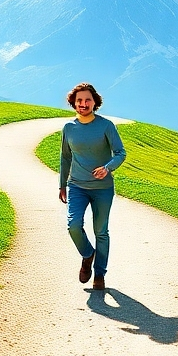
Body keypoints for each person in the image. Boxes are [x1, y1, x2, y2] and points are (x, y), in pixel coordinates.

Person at [58, 82, 127, 290]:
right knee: (73, 226)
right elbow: (65, 157)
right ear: (73, 103)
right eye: (79, 100)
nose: (83, 103)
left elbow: (120, 153)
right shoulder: (69, 128)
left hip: (102, 189)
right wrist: (62, 185)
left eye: (87, 100)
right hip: (77, 186)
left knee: (101, 231)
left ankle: (100, 274)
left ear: (95, 102)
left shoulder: (106, 126)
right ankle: (88, 255)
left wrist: (107, 168)